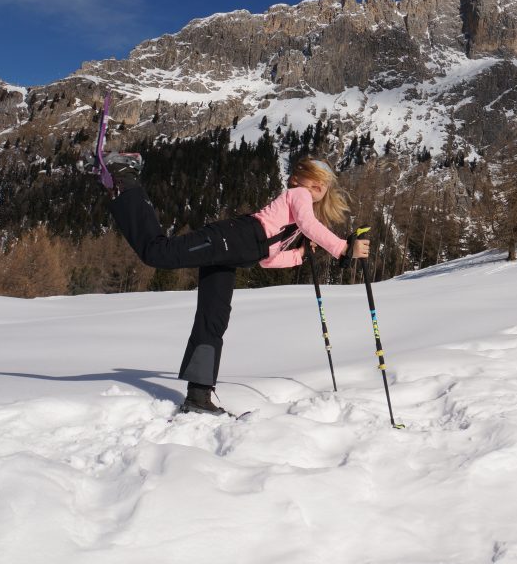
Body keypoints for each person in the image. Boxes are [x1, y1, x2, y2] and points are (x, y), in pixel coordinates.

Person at [101, 153, 370, 415]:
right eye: (312, 177)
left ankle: (198, 396)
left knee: (213, 318)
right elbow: (309, 224)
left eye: (324, 181)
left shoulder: (294, 221)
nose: (318, 184)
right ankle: (124, 178)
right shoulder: (297, 197)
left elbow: (267, 260)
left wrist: (298, 255)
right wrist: (344, 248)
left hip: (235, 253)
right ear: (296, 179)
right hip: (232, 239)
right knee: (158, 253)